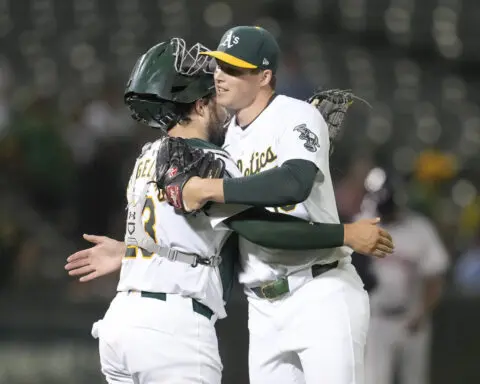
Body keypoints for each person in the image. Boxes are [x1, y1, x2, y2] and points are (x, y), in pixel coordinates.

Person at [67, 38, 394, 384]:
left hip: (121, 320)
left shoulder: (149, 154)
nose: (222, 108)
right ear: (199, 104)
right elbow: (259, 229)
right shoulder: (209, 159)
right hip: (173, 326)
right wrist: (345, 234)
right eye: (213, 99)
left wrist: (130, 253)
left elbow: (176, 232)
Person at [154, 26, 382, 384]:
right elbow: (243, 227)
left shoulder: (296, 116)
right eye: (218, 66)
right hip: (261, 307)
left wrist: (213, 188)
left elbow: (293, 183)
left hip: (320, 291)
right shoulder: (224, 142)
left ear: (265, 76)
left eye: (234, 69)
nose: (220, 76)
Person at [359, 167, 449, 384]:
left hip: (412, 320)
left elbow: (435, 277)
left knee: (414, 380)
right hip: (376, 319)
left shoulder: (420, 228)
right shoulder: (361, 225)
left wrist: (421, 313)